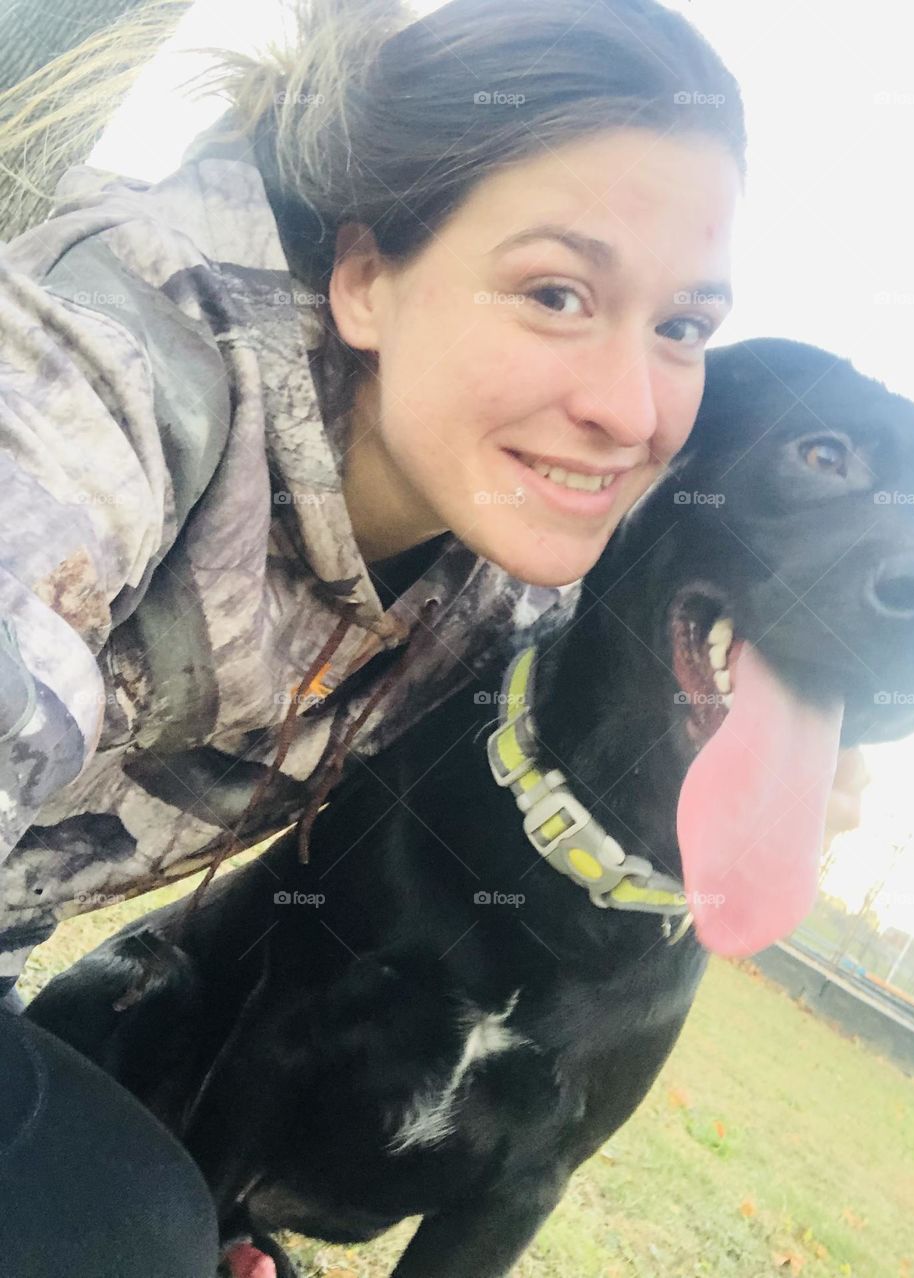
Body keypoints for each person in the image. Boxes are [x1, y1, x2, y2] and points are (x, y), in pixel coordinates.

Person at [0, 0, 757, 1271]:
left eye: (683, 326)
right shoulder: (112, 364)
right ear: (364, 278)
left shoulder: (497, 601)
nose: (631, 407)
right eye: (558, 291)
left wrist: (761, 740)